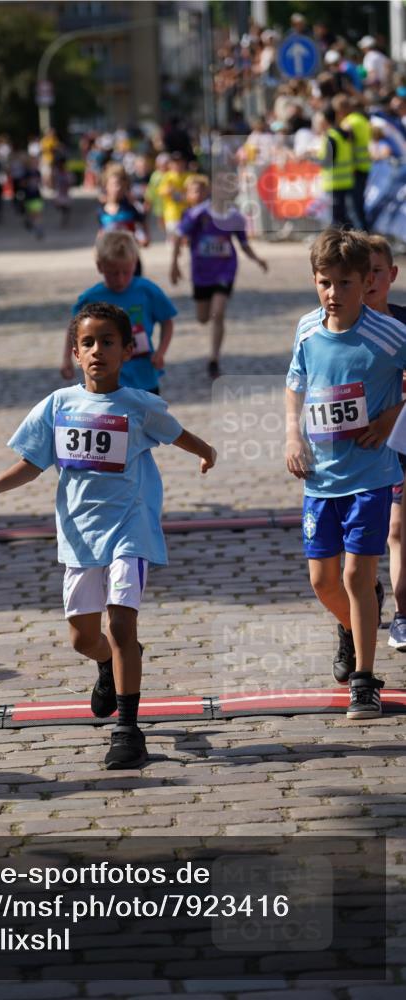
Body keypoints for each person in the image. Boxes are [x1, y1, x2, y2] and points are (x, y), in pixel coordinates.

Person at [0, 301, 216, 769]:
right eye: (87, 343)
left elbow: (177, 432)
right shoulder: (58, 406)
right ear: (75, 354)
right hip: (80, 534)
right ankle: (108, 663)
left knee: (122, 623)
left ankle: (128, 729)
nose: (97, 350)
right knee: (84, 637)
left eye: (107, 342)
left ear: (127, 351)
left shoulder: (138, 405)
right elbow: (34, 461)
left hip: (130, 528)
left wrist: (206, 451)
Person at [285, 228, 406, 719]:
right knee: (323, 582)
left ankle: (364, 680)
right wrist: (293, 437)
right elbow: (295, 384)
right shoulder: (308, 330)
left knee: (357, 575)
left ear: (367, 283)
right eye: (324, 283)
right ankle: (357, 625)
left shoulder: (390, 334)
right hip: (320, 477)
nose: (333, 294)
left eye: (344, 283)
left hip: (371, 476)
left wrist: (391, 415)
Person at [169, 174, 267, 380]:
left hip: (225, 270)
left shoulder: (235, 217)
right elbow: (179, 235)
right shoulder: (197, 214)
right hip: (201, 272)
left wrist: (257, 259)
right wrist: (174, 264)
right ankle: (212, 348)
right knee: (203, 318)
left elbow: (243, 244)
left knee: (218, 312)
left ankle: (213, 359)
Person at [61, 231, 177, 396]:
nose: (120, 279)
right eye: (113, 273)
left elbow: (167, 321)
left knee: (146, 421)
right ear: (100, 266)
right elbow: (74, 329)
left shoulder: (147, 291)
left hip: (143, 377)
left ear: (135, 264)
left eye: (126, 272)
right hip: (104, 379)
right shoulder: (91, 298)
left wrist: (161, 352)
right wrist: (67, 359)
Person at [364, 235, 406, 649]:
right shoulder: (336, 326)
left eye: (378, 271)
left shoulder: (403, 324)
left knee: (396, 530)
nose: (370, 279)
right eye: (364, 272)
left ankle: (403, 614)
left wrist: (392, 414)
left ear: (391, 275)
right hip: (354, 448)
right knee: (361, 536)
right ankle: (368, 587)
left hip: (399, 445)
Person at [332, 94, 371, 230]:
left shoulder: (349, 123)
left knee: (354, 208)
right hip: (365, 166)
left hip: (354, 168)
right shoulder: (362, 120)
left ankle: (362, 240)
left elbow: (349, 144)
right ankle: (364, 236)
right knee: (358, 206)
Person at [318, 104, 354, 229]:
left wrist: (313, 159)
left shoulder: (331, 137)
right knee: (343, 217)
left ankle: (340, 246)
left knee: (337, 220)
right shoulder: (343, 134)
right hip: (346, 181)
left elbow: (327, 162)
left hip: (334, 183)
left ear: (324, 119)